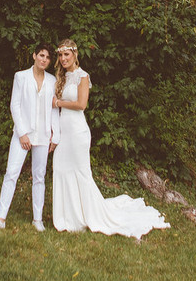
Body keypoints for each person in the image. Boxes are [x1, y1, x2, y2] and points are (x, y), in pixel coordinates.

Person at [48, 39, 169, 238]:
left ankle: (87, 215)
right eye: (60, 55)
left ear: (75, 55)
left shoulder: (82, 76)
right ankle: (67, 216)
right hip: (63, 131)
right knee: (61, 169)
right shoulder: (61, 77)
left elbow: (81, 104)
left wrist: (59, 103)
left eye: (66, 54)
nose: (63, 59)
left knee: (81, 173)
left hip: (77, 132)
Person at [0, 44, 58, 232]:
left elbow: (54, 109)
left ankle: (38, 220)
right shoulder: (21, 77)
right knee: (11, 173)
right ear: (34, 55)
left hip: (43, 135)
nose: (44, 59)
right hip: (23, 135)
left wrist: (55, 135)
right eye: (41, 55)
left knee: (39, 177)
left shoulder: (52, 80)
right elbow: (15, 106)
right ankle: (0, 219)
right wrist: (22, 133)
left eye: (47, 57)